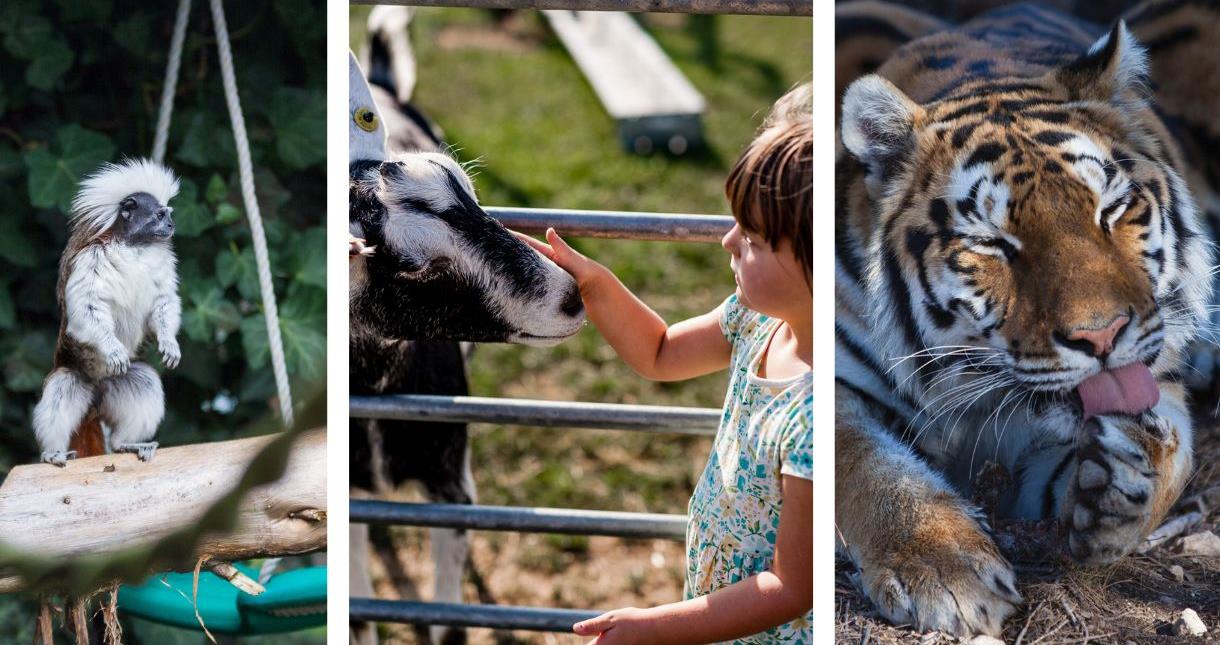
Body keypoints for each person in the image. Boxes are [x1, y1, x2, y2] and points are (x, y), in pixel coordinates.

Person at [514, 84, 812, 644]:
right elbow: (660, 350)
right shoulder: (756, 322)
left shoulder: (819, 418)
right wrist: (592, 282)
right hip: (721, 604)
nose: (726, 241)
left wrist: (653, 627)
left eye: (751, 237)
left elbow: (793, 587)